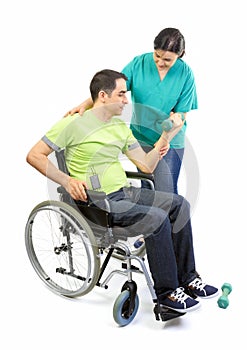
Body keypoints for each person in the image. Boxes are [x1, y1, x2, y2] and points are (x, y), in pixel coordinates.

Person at [26, 69, 218, 318]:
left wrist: (165, 136)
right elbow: (34, 155)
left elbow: (145, 166)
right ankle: (167, 296)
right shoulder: (72, 124)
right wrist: (67, 180)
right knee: (156, 218)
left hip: (125, 193)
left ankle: (189, 279)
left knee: (178, 204)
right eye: (122, 94)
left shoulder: (119, 126)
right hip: (96, 202)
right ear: (103, 96)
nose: (127, 100)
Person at [65, 28, 198, 194]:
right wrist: (85, 104)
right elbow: (113, 89)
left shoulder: (185, 74)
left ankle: (173, 220)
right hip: (141, 136)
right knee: (148, 189)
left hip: (170, 140)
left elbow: (181, 114)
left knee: (167, 193)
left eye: (167, 59)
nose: (160, 62)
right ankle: (153, 220)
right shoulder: (139, 64)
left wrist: (164, 140)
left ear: (181, 54)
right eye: (157, 55)